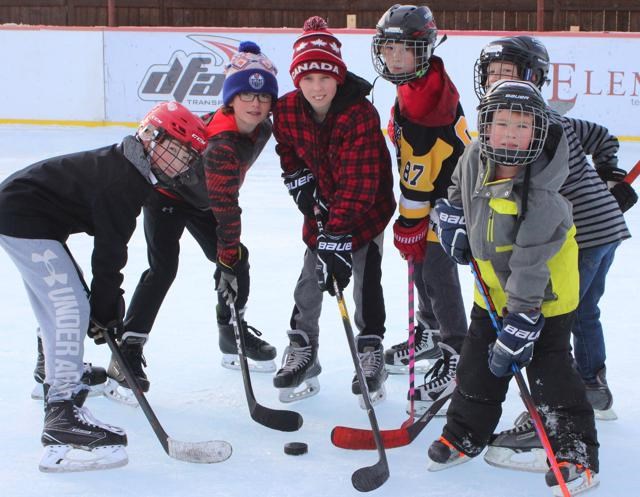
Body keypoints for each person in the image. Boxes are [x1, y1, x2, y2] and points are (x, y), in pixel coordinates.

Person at [0, 101, 206, 472]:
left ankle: (51, 372)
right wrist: (108, 314)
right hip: (21, 216)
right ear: (151, 138)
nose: (184, 163)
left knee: (69, 297)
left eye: (188, 155)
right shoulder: (124, 179)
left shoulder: (131, 169)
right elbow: (109, 256)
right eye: (179, 150)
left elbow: (108, 257)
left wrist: (105, 310)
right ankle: (62, 415)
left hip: (29, 216)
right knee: (69, 306)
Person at [428, 79, 600, 494]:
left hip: (544, 295)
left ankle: (575, 451)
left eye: (522, 126)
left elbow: (530, 261)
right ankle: (465, 433)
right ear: (485, 126)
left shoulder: (544, 194)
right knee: (477, 365)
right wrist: (451, 217)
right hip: (489, 287)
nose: (509, 133)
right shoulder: (473, 156)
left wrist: (523, 320)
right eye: (501, 123)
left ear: (538, 131)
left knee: (549, 370)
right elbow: (457, 192)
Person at [473, 35, 635, 471]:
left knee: (552, 324)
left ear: (532, 80)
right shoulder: (536, 119)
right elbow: (599, 134)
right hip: (604, 230)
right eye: (492, 74)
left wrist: (609, 175)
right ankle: (591, 384)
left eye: (508, 75)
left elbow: (541, 210)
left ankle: (548, 412)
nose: (497, 82)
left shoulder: (534, 126)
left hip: (583, 233)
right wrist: (610, 178)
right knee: (583, 313)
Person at [104, 41, 279, 405]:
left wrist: (230, 260)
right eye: (246, 93)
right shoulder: (221, 144)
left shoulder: (262, 128)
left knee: (237, 258)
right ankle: (128, 350)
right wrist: (225, 261)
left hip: (205, 200)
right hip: (168, 197)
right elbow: (226, 208)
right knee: (164, 268)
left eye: (263, 96)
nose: (256, 103)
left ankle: (231, 334)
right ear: (230, 98)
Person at [271, 16, 396, 405]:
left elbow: (360, 186)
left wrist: (338, 238)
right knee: (311, 279)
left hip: (367, 208)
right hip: (323, 207)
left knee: (363, 276)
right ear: (297, 80)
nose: (317, 87)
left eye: (325, 77)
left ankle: (370, 347)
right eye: (307, 78)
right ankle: (303, 349)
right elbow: (288, 151)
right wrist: (301, 187)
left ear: (338, 77)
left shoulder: (358, 114)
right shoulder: (287, 110)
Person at [370, 4, 470, 414]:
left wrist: (409, 223)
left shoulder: (426, 107)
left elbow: (420, 174)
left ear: (424, 50)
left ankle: (457, 353)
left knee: (435, 273)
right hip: (436, 198)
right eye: (388, 49)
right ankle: (428, 332)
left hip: (446, 205)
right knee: (420, 268)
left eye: (403, 50)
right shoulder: (421, 83)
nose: (394, 58)